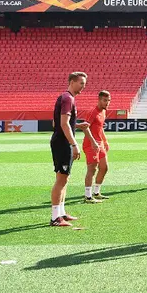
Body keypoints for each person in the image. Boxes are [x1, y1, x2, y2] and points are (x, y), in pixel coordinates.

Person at [50, 72, 93, 227]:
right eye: (81, 83)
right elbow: (63, 124)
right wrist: (74, 144)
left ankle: (61, 212)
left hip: (61, 141)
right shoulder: (68, 98)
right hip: (63, 143)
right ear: (72, 82)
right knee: (61, 179)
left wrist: (78, 125)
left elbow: (56, 123)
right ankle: (55, 217)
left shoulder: (64, 97)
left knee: (64, 178)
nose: (83, 86)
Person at [82, 90, 111, 203]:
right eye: (105, 100)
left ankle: (96, 192)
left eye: (108, 101)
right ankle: (88, 196)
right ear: (99, 100)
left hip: (99, 144)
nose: (107, 103)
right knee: (92, 170)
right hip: (91, 144)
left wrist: (105, 141)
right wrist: (93, 142)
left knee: (104, 168)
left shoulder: (103, 111)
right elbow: (85, 127)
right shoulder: (92, 112)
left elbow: (100, 127)